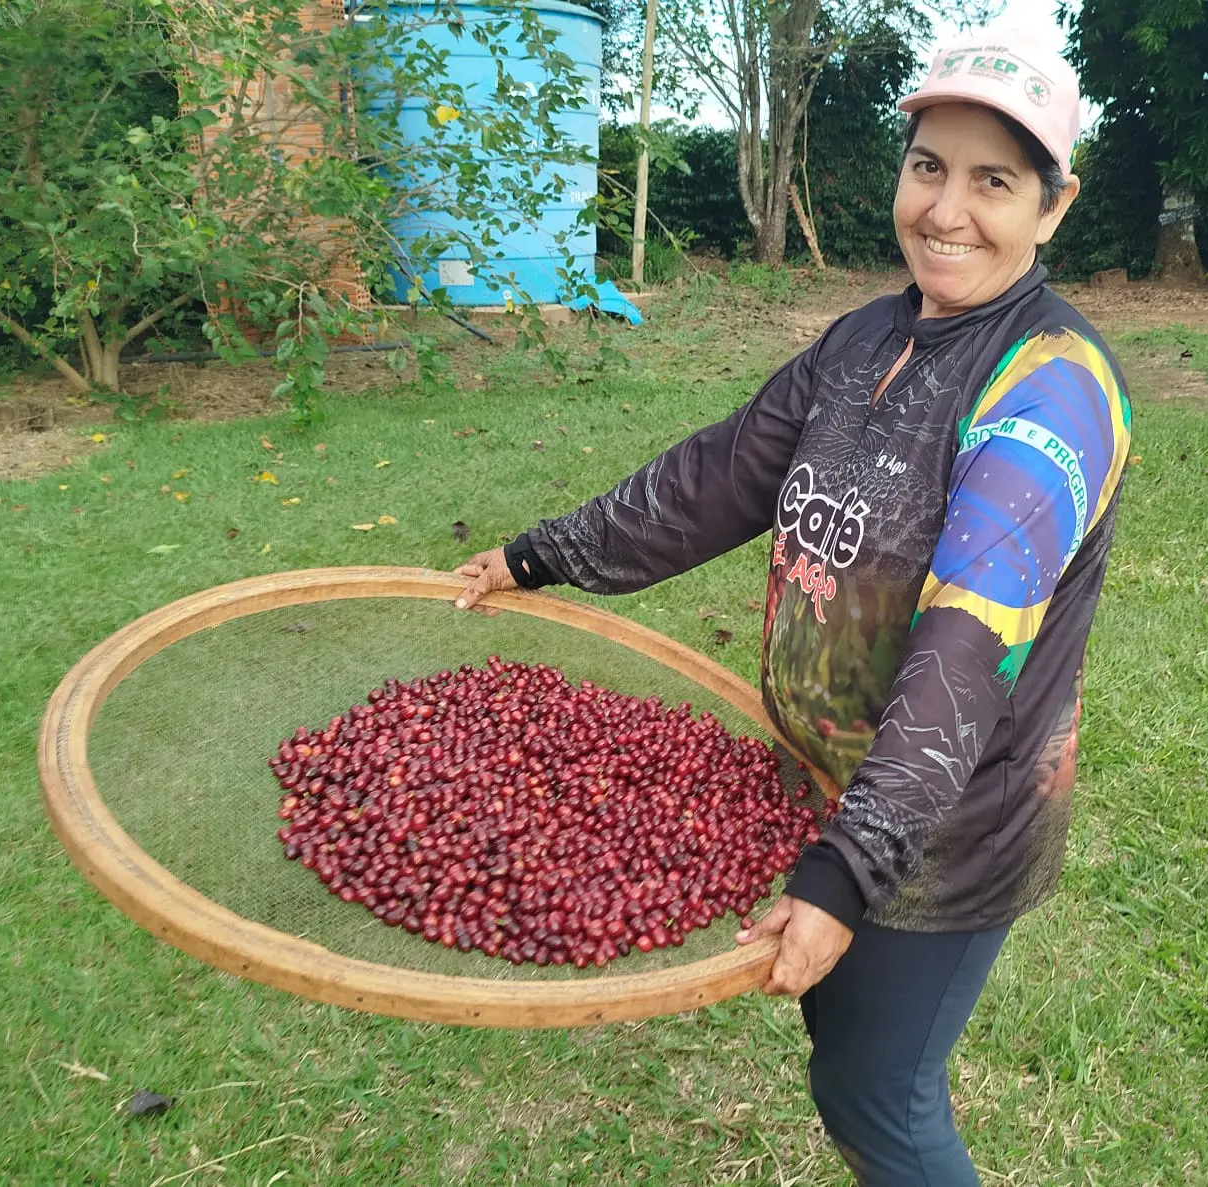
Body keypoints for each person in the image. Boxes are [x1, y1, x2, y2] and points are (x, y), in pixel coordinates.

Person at [454, 29, 1131, 1186]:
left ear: (1052, 208)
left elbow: (966, 653)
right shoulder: (868, 334)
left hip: (941, 828)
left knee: (880, 1096)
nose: (948, 209)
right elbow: (717, 477)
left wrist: (841, 871)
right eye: (929, 166)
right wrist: (541, 553)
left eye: (994, 180)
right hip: (823, 785)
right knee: (848, 1058)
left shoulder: (1050, 388)